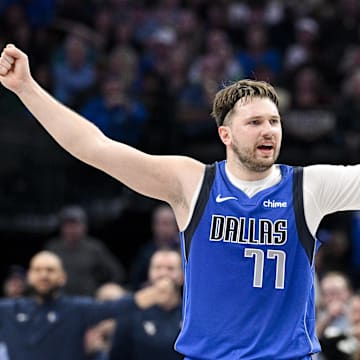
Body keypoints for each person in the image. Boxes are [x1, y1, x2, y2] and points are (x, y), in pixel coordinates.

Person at [1, 44, 360, 359]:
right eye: (254, 122)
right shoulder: (192, 181)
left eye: (274, 121)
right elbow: (95, 147)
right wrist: (27, 88)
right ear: (226, 135)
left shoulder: (308, 185)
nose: (268, 130)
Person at [0, 250, 176, 360]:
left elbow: (116, 307)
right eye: (38, 270)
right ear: (29, 276)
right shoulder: (8, 310)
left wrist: (154, 294)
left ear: (63, 277)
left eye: (50, 270)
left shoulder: (75, 309)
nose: (44, 275)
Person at [109, 247, 183, 360]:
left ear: (182, 275)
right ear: (149, 272)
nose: (163, 273)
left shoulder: (192, 314)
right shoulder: (131, 312)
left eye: (170, 269)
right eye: (158, 268)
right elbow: (117, 355)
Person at [44, 205, 126, 296]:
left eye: (75, 225)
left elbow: (116, 272)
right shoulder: (53, 247)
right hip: (59, 299)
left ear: (84, 226)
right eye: (67, 225)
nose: (71, 229)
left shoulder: (94, 248)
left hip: (88, 300)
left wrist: (104, 290)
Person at [130, 204, 179, 290]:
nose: (163, 273)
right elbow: (135, 282)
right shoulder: (145, 253)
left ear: (176, 225)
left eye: (167, 224)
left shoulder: (185, 251)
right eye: (159, 224)